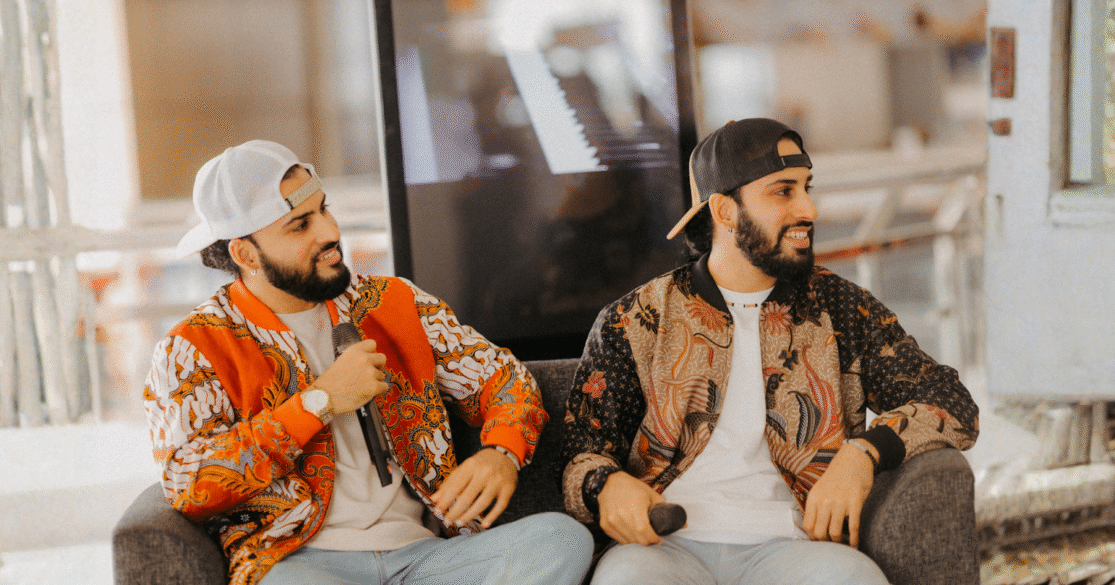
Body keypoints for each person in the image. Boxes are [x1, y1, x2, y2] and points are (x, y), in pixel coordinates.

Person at [143, 140, 593, 585]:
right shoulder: (192, 348)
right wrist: (319, 402)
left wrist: (502, 452)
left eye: (324, 209)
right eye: (301, 225)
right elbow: (188, 483)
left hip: (428, 560)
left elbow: (504, 378)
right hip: (301, 564)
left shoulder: (394, 302)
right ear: (245, 254)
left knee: (563, 539)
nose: (330, 232)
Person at [557, 118, 979, 584]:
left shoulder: (840, 308)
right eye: (783, 192)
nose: (809, 209)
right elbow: (582, 452)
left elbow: (952, 400)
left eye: (806, 188)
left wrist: (864, 453)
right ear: (724, 211)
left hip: (794, 549)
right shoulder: (636, 318)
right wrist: (607, 485)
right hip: (661, 550)